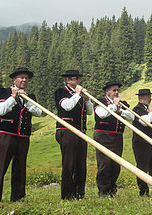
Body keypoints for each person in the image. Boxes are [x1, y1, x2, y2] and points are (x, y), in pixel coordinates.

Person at [0, 67, 43, 202]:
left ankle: (18, 197)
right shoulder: (3, 92)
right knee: (1, 166)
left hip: (23, 136)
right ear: (14, 79)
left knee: (20, 167)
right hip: (6, 134)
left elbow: (39, 112)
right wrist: (13, 97)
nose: (24, 80)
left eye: (26, 78)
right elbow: (1, 110)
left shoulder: (30, 97)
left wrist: (27, 101)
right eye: (21, 77)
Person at [54, 69, 93, 200]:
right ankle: (67, 194)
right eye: (72, 79)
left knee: (80, 164)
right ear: (67, 80)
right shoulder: (61, 92)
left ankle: (79, 193)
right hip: (66, 131)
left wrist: (87, 100)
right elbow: (67, 106)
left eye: (77, 78)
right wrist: (77, 94)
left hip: (81, 132)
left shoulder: (81, 95)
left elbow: (90, 112)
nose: (75, 81)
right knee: (69, 164)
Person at [93, 80, 134, 198]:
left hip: (117, 136)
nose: (116, 92)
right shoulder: (100, 101)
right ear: (107, 92)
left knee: (116, 165)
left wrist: (120, 110)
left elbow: (131, 117)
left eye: (117, 90)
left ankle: (112, 189)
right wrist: (114, 106)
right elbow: (101, 114)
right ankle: (103, 191)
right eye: (113, 90)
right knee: (104, 164)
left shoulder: (123, 103)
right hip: (103, 135)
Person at [131, 88, 152, 197]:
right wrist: (150, 113)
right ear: (141, 98)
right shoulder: (136, 109)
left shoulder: (149, 109)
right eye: (147, 96)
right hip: (141, 143)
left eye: (150, 96)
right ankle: (143, 191)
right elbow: (145, 122)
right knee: (142, 166)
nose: (150, 98)